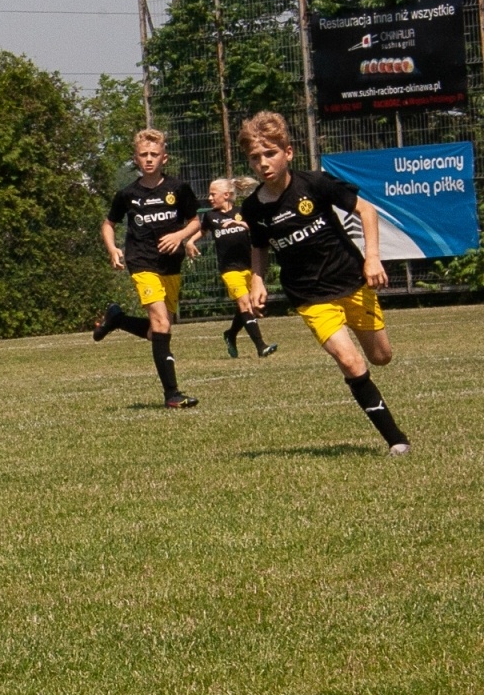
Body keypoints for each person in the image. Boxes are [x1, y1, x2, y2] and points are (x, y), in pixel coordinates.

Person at [238, 112, 410, 455]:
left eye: (269, 153)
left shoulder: (314, 184)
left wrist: (372, 257)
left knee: (381, 357)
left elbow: (368, 212)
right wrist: (257, 280)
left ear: (288, 152)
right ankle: (396, 441)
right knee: (350, 362)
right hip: (310, 296)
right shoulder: (253, 207)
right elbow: (258, 246)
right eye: (255, 158)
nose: (263, 163)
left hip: (351, 282)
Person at [93, 129, 202, 408]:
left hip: (171, 264)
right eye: (144, 155)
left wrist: (180, 237)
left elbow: (195, 222)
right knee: (162, 323)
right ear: (136, 159)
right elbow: (108, 223)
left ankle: (117, 319)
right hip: (141, 262)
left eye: (154, 154)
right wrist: (113, 249)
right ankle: (172, 395)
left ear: (164, 157)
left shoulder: (178, 189)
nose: (149, 159)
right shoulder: (128, 194)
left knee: (159, 330)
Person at [196, 177, 277, 359]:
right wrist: (190, 242)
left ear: (226, 195)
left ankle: (230, 334)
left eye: (212, 194)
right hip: (229, 269)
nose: (209, 197)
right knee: (244, 304)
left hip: (249, 266)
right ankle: (261, 346)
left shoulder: (242, 212)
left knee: (249, 306)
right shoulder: (210, 216)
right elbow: (201, 232)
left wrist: (241, 224)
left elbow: (258, 230)